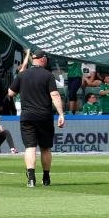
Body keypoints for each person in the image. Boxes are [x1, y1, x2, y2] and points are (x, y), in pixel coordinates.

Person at [8, 49, 65, 188]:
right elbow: (55, 95)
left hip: (27, 116)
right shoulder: (48, 75)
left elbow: (10, 92)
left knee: (30, 147)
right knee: (45, 148)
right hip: (44, 116)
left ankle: (31, 178)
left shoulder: (22, 75)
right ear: (43, 59)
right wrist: (61, 114)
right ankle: (46, 177)